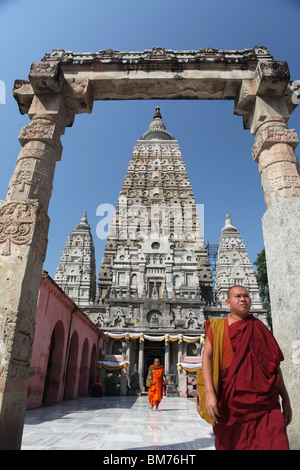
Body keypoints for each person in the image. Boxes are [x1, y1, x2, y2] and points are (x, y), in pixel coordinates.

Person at [202, 285, 292, 450]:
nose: (243, 299)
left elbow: (273, 367)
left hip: (267, 404)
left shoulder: (260, 327)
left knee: (277, 443)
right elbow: (206, 359)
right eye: (238, 296)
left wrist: (285, 399)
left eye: (246, 296)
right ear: (228, 302)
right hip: (233, 404)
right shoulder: (217, 327)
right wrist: (210, 394)